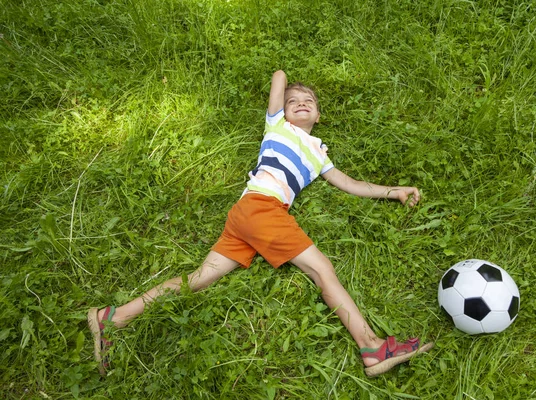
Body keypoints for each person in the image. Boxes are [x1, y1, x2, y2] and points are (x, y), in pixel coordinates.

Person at [88, 70, 433, 378]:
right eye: (293, 101)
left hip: (247, 216)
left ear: (318, 113)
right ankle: (371, 345)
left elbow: (352, 184)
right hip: (261, 208)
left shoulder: (319, 154)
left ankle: (113, 317)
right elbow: (279, 78)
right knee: (322, 270)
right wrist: (285, 85)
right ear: (282, 110)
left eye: (308, 101)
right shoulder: (277, 126)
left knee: (198, 279)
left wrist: (394, 191)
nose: (300, 103)